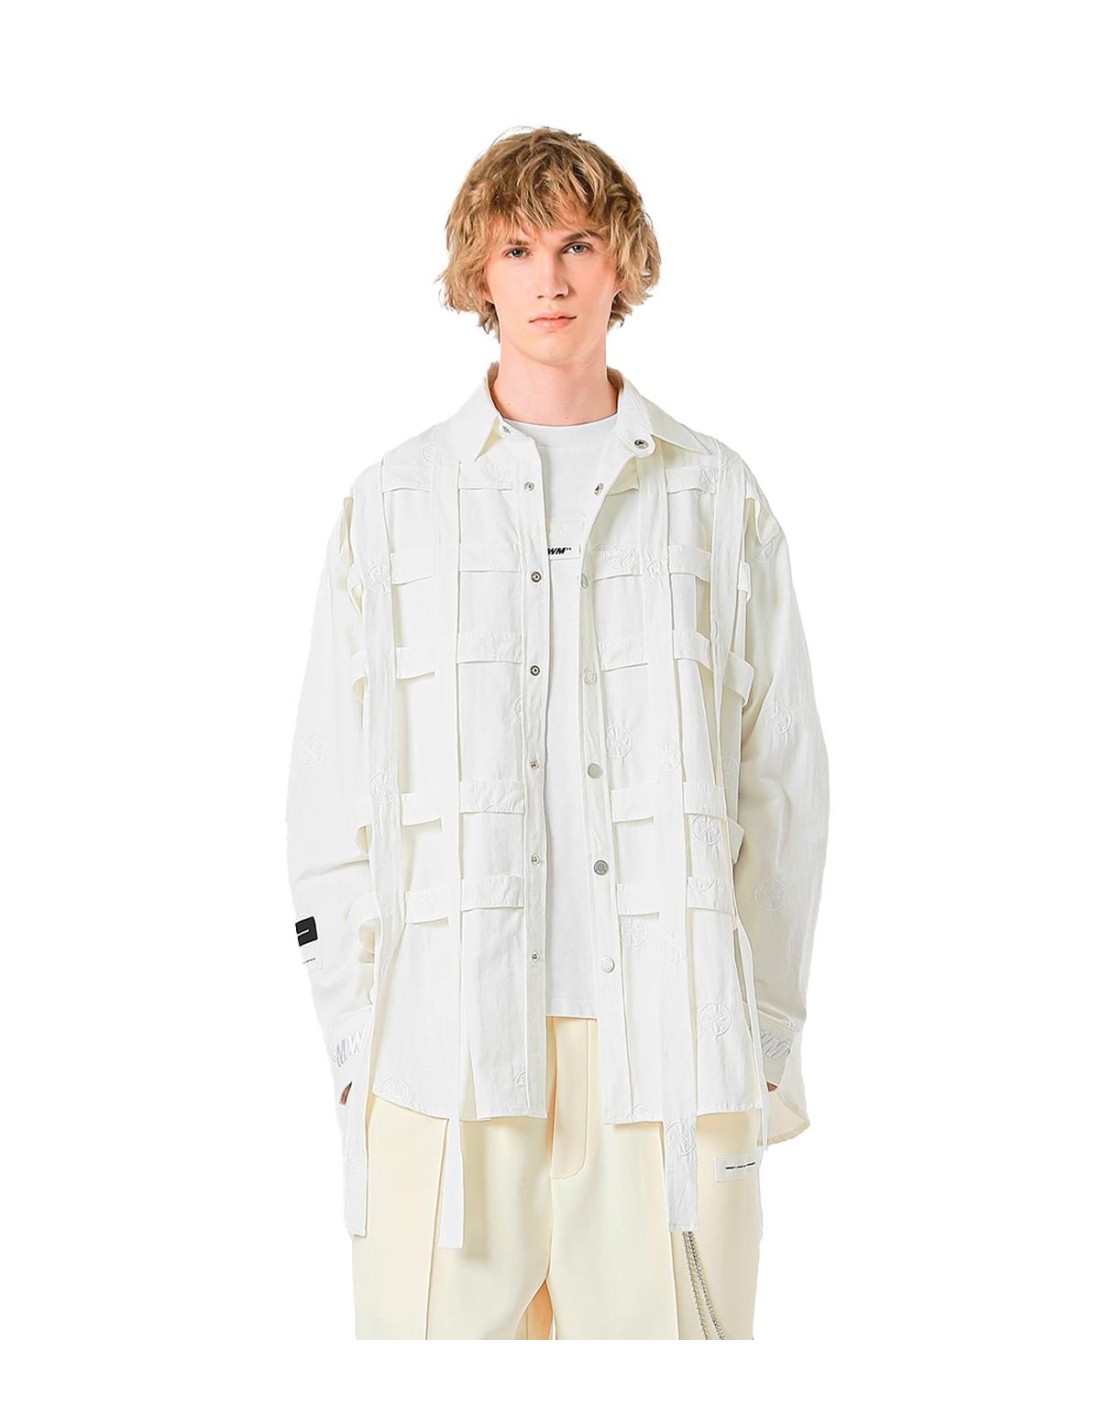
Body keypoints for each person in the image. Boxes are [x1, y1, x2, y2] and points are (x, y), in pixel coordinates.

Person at [285, 125, 830, 1339]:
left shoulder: (713, 496)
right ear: (477, 273)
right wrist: (355, 1049)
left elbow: (783, 787)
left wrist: (763, 1037)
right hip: (438, 1061)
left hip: (669, 1054)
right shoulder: (393, 504)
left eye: (578, 244)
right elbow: (328, 799)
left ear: (620, 263)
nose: (550, 278)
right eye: (518, 248)